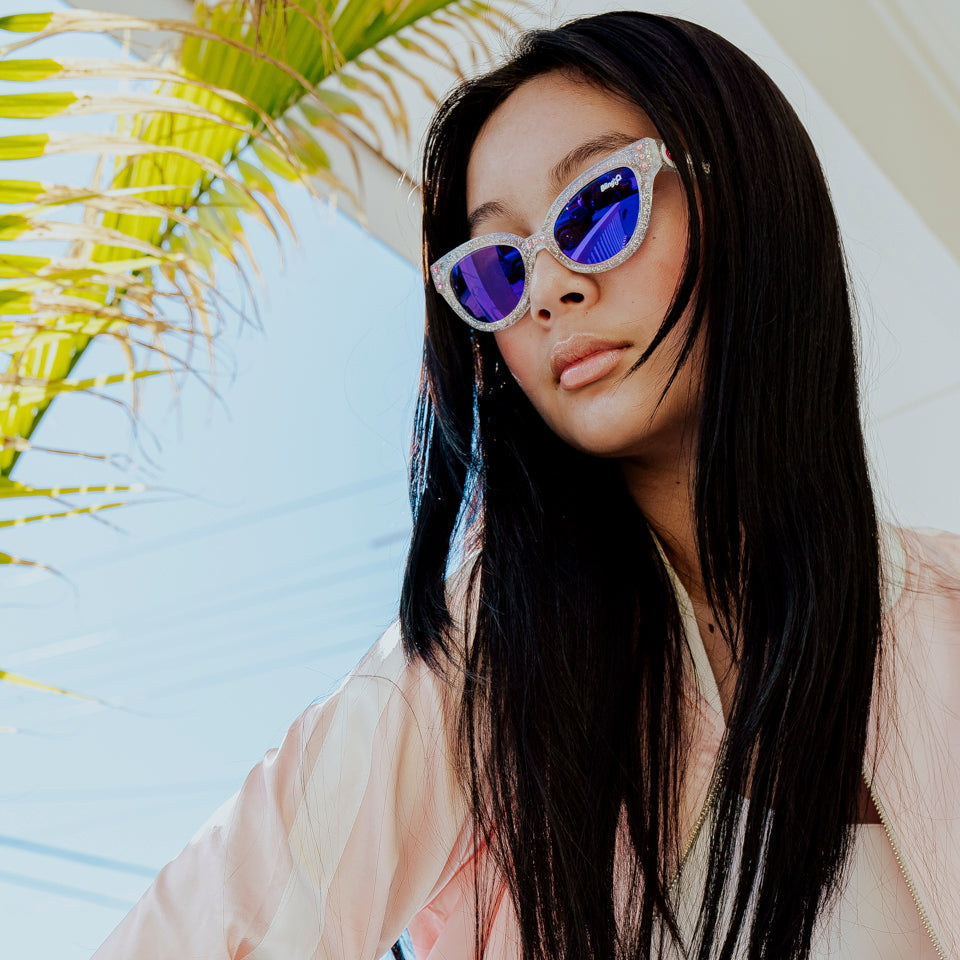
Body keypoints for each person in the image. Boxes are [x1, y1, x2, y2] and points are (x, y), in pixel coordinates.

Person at [91, 11, 960, 960]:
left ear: (745, 190)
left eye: (599, 209)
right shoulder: (482, 671)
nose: (548, 289)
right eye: (497, 270)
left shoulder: (946, 613)